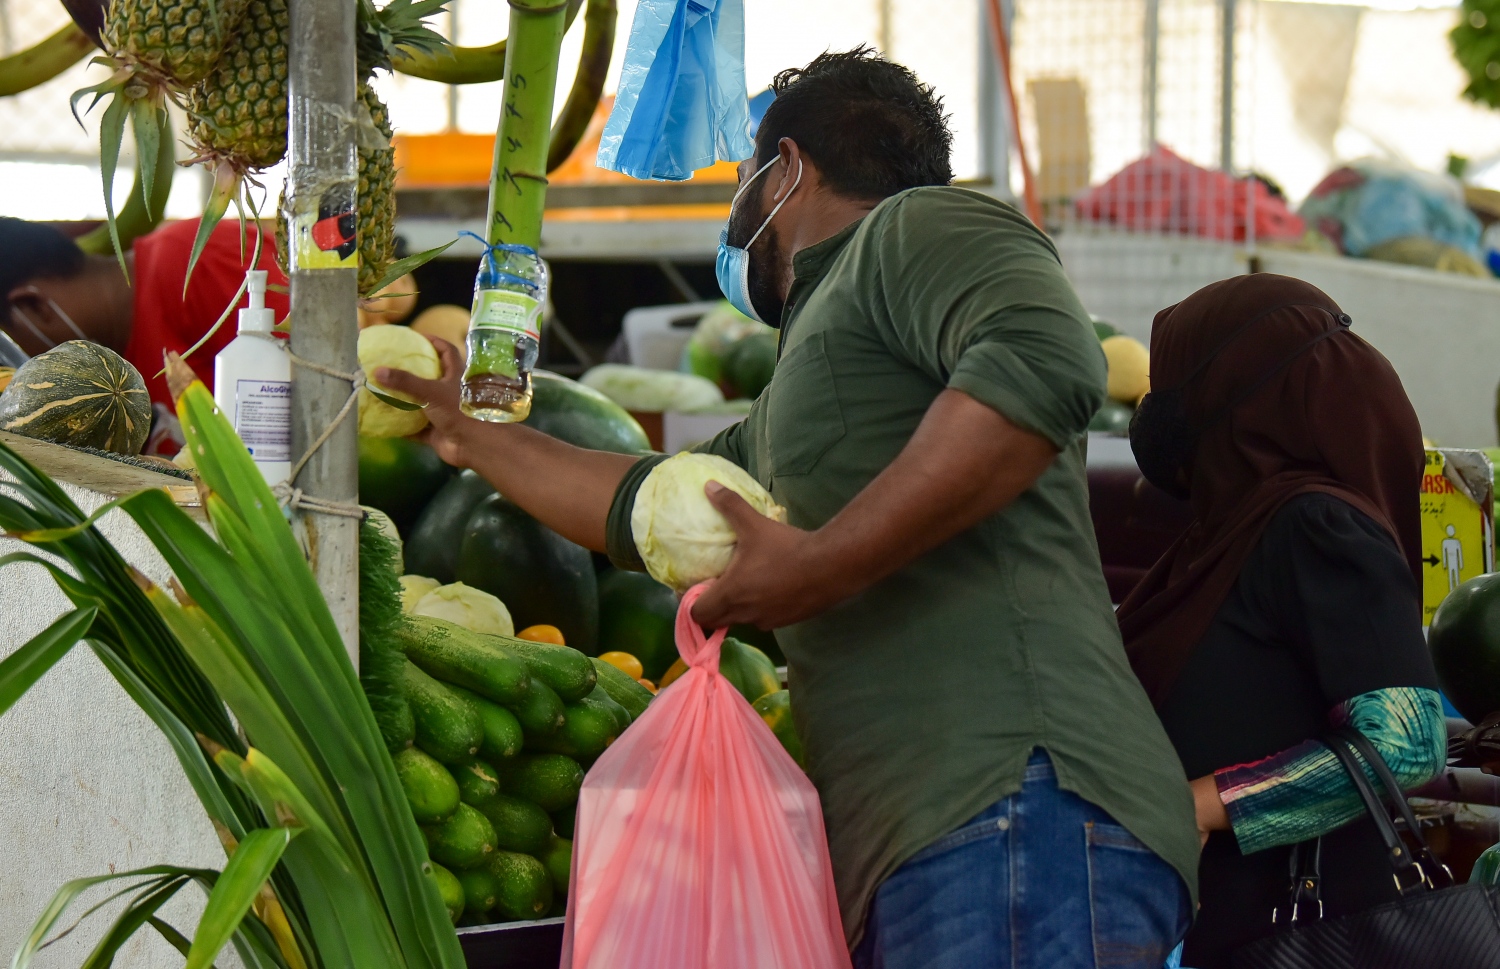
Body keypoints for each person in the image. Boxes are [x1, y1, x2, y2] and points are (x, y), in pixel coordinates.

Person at [381, 48, 1199, 968]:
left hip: (1013, 800)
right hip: (936, 840)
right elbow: (642, 503)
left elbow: (1050, 363)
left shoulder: (920, 227)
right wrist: (468, 435)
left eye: (741, 181)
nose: (732, 218)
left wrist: (819, 565)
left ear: (789, 169)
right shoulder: (801, 387)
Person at [1117, 274, 1447, 968]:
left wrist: (1205, 805)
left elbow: (1408, 740)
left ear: (1238, 393)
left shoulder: (1315, 526)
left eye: (1178, 381)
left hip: (1306, 933)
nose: (1160, 409)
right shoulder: (1225, 536)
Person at [0, 216, 287, 452]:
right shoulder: (107, 383)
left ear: (33, 306)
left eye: (11, 340)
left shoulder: (195, 257)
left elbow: (320, 377)